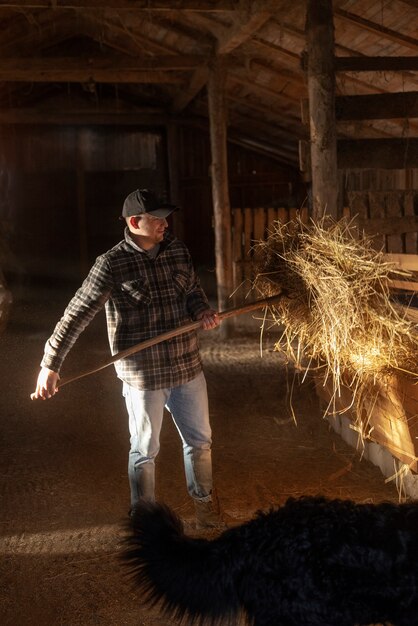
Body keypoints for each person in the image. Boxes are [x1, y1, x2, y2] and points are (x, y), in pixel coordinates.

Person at [32, 188, 224, 529]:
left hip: (186, 366)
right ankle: (145, 519)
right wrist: (50, 364)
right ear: (135, 222)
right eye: (157, 219)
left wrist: (203, 311)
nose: (165, 224)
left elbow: (192, 291)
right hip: (144, 376)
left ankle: (205, 506)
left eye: (166, 217)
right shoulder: (111, 264)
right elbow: (76, 314)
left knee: (199, 441)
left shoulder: (177, 250)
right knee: (145, 449)